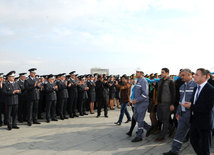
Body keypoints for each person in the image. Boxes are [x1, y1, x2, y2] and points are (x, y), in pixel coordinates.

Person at [164, 69, 197, 155]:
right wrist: (178, 112)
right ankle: (174, 151)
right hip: (182, 114)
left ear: (189, 75)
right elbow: (180, 101)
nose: (181, 77)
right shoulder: (182, 87)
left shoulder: (196, 86)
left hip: (192, 115)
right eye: (181, 75)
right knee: (179, 133)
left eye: (183, 75)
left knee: (196, 136)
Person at [182, 68, 214, 155]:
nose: (194, 76)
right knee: (193, 141)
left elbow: (206, 108)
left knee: (205, 148)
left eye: (197, 74)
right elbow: (196, 103)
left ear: (204, 76)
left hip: (205, 124)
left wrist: (191, 106)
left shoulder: (211, 90)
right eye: (194, 74)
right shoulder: (196, 88)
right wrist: (190, 104)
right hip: (195, 121)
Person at [131, 68, 151, 142]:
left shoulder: (143, 81)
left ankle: (139, 136)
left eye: (138, 72)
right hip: (137, 103)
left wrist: (137, 100)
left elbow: (145, 94)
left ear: (142, 73)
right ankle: (148, 127)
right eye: (136, 72)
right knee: (135, 117)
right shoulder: (138, 81)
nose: (136, 73)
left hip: (142, 103)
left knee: (140, 119)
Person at [156, 68, 176, 141]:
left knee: (165, 120)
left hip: (167, 104)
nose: (161, 73)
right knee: (160, 118)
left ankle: (162, 136)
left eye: (163, 72)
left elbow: (173, 94)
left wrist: (172, 104)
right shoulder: (161, 80)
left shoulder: (171, 81)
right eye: (161, 72)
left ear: (167, 73)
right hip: (160, 103)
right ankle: (171, 129)